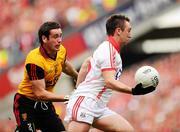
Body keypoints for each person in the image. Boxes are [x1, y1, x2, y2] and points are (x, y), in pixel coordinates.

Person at [64, 14, 156, 132]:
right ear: (118, 31)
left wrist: (78, 89)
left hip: (98, 106)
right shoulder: (108, 50)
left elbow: (87, 64)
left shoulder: (108, 49)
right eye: (128, 30)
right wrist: (133, 90)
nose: (130, 34)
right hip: (86, 104)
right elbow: (109, 82)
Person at [13, 21, 78, 132]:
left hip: (44, 104)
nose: (60, 40)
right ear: (44, 39)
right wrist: (67, 98)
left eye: (60, 36)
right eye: (55, 36)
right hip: (26, 103)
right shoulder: (35, 60)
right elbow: (40, 94)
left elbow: (64, 65)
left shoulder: (61, 50)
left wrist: (77, 76)